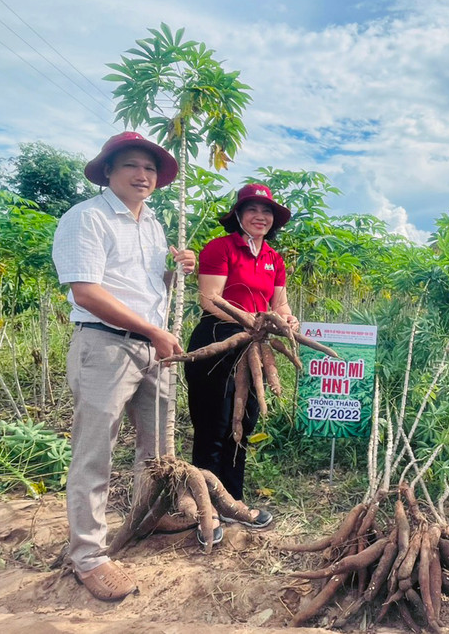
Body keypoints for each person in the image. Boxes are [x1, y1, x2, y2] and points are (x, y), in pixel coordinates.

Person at [52, 132, 196, 601]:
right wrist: (153, 331)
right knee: (95, 452)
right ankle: (88, 556)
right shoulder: (86, 218)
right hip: (106, 346)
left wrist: (177, 270)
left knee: (157, 448)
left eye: (150, 169)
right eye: (132, 165)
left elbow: (148, 286)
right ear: (109, 171)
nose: (142, 175)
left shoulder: (152, 224)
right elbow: (87, 292)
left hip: (153, 346)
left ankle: (149, 515)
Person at [184, 183, 297, 538]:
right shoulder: (221, 248)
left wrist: (288, 320)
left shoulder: (274, 258)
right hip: (218, 340)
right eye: (252, 210)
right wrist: (252, 319)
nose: (260, 217)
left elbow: (280, 304)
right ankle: (205, 508)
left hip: (253, 347)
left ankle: (232, 501)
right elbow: (209, 299)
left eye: (267, 212)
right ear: (238, 214)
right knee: (213, 426)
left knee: (242, 425)